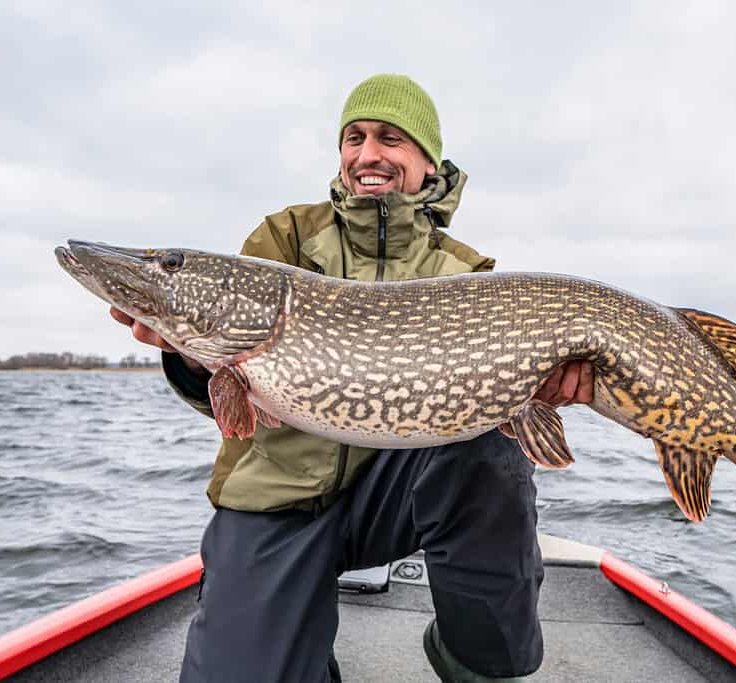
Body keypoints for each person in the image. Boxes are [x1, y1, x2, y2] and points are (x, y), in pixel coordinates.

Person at [111, 74, 595, 682]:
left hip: (397, 494)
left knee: (493, 448)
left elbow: (506, 394)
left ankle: (474, 653)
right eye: (354, 138)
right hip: (279, 497)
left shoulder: (465, 271)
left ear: (427, 162)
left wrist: (540, 386)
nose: (367, 154)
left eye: (390, 138)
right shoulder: (284, 238)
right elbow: (230, 392)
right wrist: (187, 353)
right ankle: (296, 640)